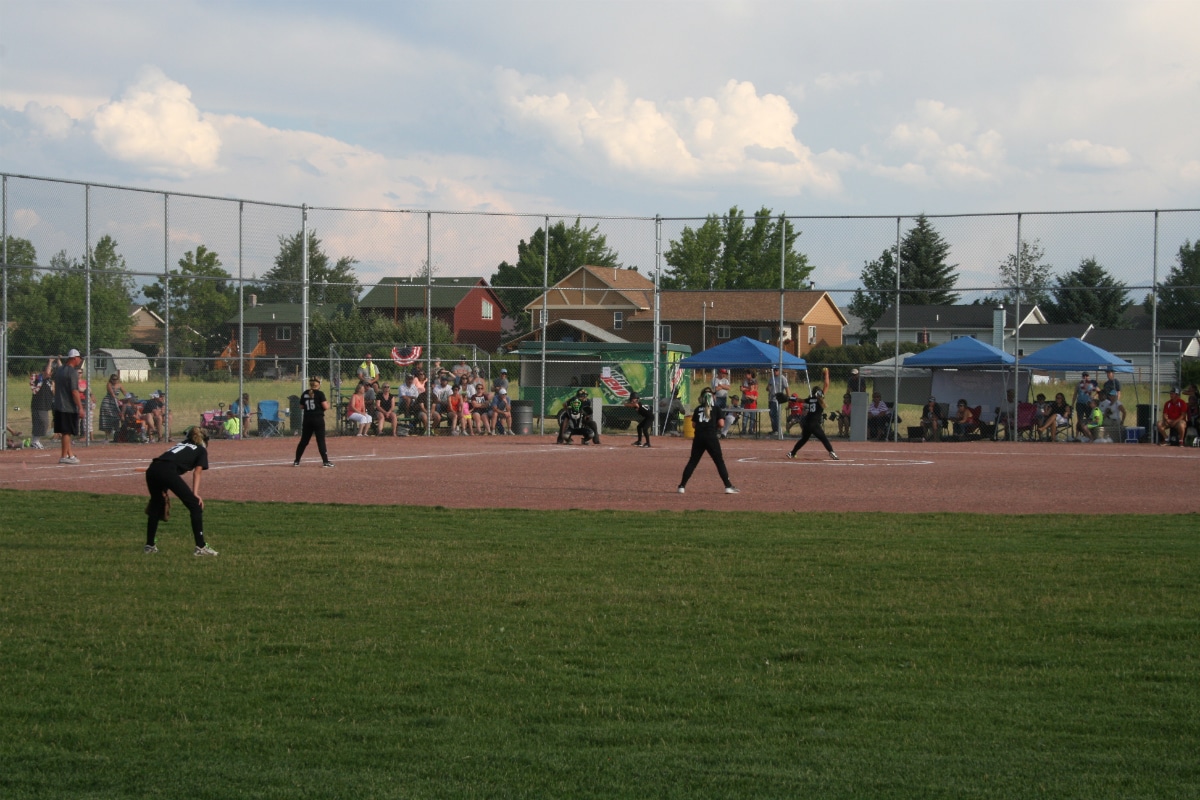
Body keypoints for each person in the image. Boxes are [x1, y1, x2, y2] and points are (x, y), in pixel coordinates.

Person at [143, 426, 217, 556]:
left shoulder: (182, 444)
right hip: (167, 471)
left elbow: (167, 462)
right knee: (195, 505)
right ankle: (201, 547)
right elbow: (197, 472)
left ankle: (149, 545)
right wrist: (195, 494)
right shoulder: (201, 450)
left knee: (156, 504)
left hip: (153, 469)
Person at [678, 386, 738, 494]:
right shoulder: (716, 408)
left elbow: (693, 425)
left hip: (698, 437)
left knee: (693, 461)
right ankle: (728, 486)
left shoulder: (698, 409)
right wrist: (713, 426)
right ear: (713, 397)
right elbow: (721, 424)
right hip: (711, 437)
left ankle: (682, 486)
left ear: (702, 397)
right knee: (719, 461)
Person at [786, 368, 839, 461]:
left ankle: (792, 453)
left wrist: (789, 398)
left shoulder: (810, 399)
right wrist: (826, 373)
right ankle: (832, 452)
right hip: (814, 424)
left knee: (804, 439)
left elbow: (799, 400)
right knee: (824, 439)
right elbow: (826, 384)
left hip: (806, 423)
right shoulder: (820, 400)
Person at [52, 348, 84, 465]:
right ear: (74, 358)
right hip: (68, 406)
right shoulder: (72, 372)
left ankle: (70, 455)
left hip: (58, 404)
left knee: (66, 433)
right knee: (66, 432)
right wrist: (80, 407)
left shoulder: (59, 370)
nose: (80, 360)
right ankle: (63, 456)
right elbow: (74, 391)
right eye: (79, 358)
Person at [294, 376, 333, 467]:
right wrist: (327, 404)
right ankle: (325, 461)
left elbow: (301, 406)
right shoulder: (320, 394)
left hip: (307, 419)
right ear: (318, 384)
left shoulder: (305, 393)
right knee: (320, 441)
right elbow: (325, 407)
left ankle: (297, 461)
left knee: (304, 441)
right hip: (318, 419)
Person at [29, 359, 56, 450]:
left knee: (40, 423)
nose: (50, 373)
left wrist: (53, 386)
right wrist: (50, 361)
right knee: (43, 423)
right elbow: (47, 373)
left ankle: (35, 441)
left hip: (45, 405)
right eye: (50, 371)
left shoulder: (50, 381)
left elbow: (54, 392)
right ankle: (35, 441)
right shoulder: (40, 378)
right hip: (39, 405)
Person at [99, 373, 124, 441]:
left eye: (116, 379)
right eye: (113, 379)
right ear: (111, 379)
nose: (115, 381)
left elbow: (125, 392)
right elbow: (112, 393)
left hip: (115, 403)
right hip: (108, 402)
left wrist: (129, 397)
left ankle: (116, 435)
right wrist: (117, 399)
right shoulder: (109, 384)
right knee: (107, 419)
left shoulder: (119, 385)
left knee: (116, 418)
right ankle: (107, 436)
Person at [766, 367, 789, 436]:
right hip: (771, 398)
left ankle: (777, 430)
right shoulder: (772, 378)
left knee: (775, 415)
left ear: (779, 370)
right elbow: (767, 388)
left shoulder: (782, 378)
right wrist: (768, 388)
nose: (775, 372)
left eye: (776, 370)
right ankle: (774, 430)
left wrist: (787, 397)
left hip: (777, 400)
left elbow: (787, 388)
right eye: (774, 370)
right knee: (771, 415)